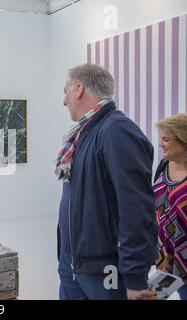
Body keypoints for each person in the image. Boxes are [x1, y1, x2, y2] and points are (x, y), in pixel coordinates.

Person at [55, 64, 158, 300]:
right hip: (73, 265)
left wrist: (134, 277)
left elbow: (136, 209)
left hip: (105, 270)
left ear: (79, 89)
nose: (64, 101)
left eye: (65, 91)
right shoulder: (83, 134)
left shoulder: (116, 131)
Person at [153, 113, 187, 300]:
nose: (161, 144)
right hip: (168, 256)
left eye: (166, 139)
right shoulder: (163, 166)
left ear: (183, 140)